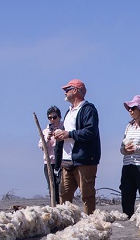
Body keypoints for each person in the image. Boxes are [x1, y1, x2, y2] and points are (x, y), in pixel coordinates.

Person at [53, 79, 101, 214]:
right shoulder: (69, 112)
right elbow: (67, 133)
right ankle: (65, 225)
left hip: (84, 159)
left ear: (75, 91)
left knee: (87, 195)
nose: (65, 92)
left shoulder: (88, 110)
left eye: (67, 89)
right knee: (64, 195)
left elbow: (91, 131)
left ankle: (90, 225)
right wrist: (60, 135)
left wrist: (69, 134)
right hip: (67, 161)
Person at [38, 105, 64, 201]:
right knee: (52, 187)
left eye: (54, 117)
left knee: (62, 187)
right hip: (49, 163)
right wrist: (47, 138)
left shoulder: (64, 128)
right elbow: (41, 146)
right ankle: (54, 206)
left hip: (61, 162)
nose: (52, 120)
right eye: (50, 118)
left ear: (59, 117)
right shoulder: (45, 131)